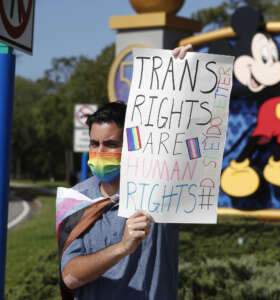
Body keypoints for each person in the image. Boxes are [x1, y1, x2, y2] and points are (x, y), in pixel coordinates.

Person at [60, 44, 193, 300]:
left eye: (111, 144)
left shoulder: (162, 192)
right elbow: (70, 275)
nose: (99, 152)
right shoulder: (74, 200)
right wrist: (122, 248)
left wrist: (176, 78)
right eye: (94, 143)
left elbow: (178, 135)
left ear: (133, 146)